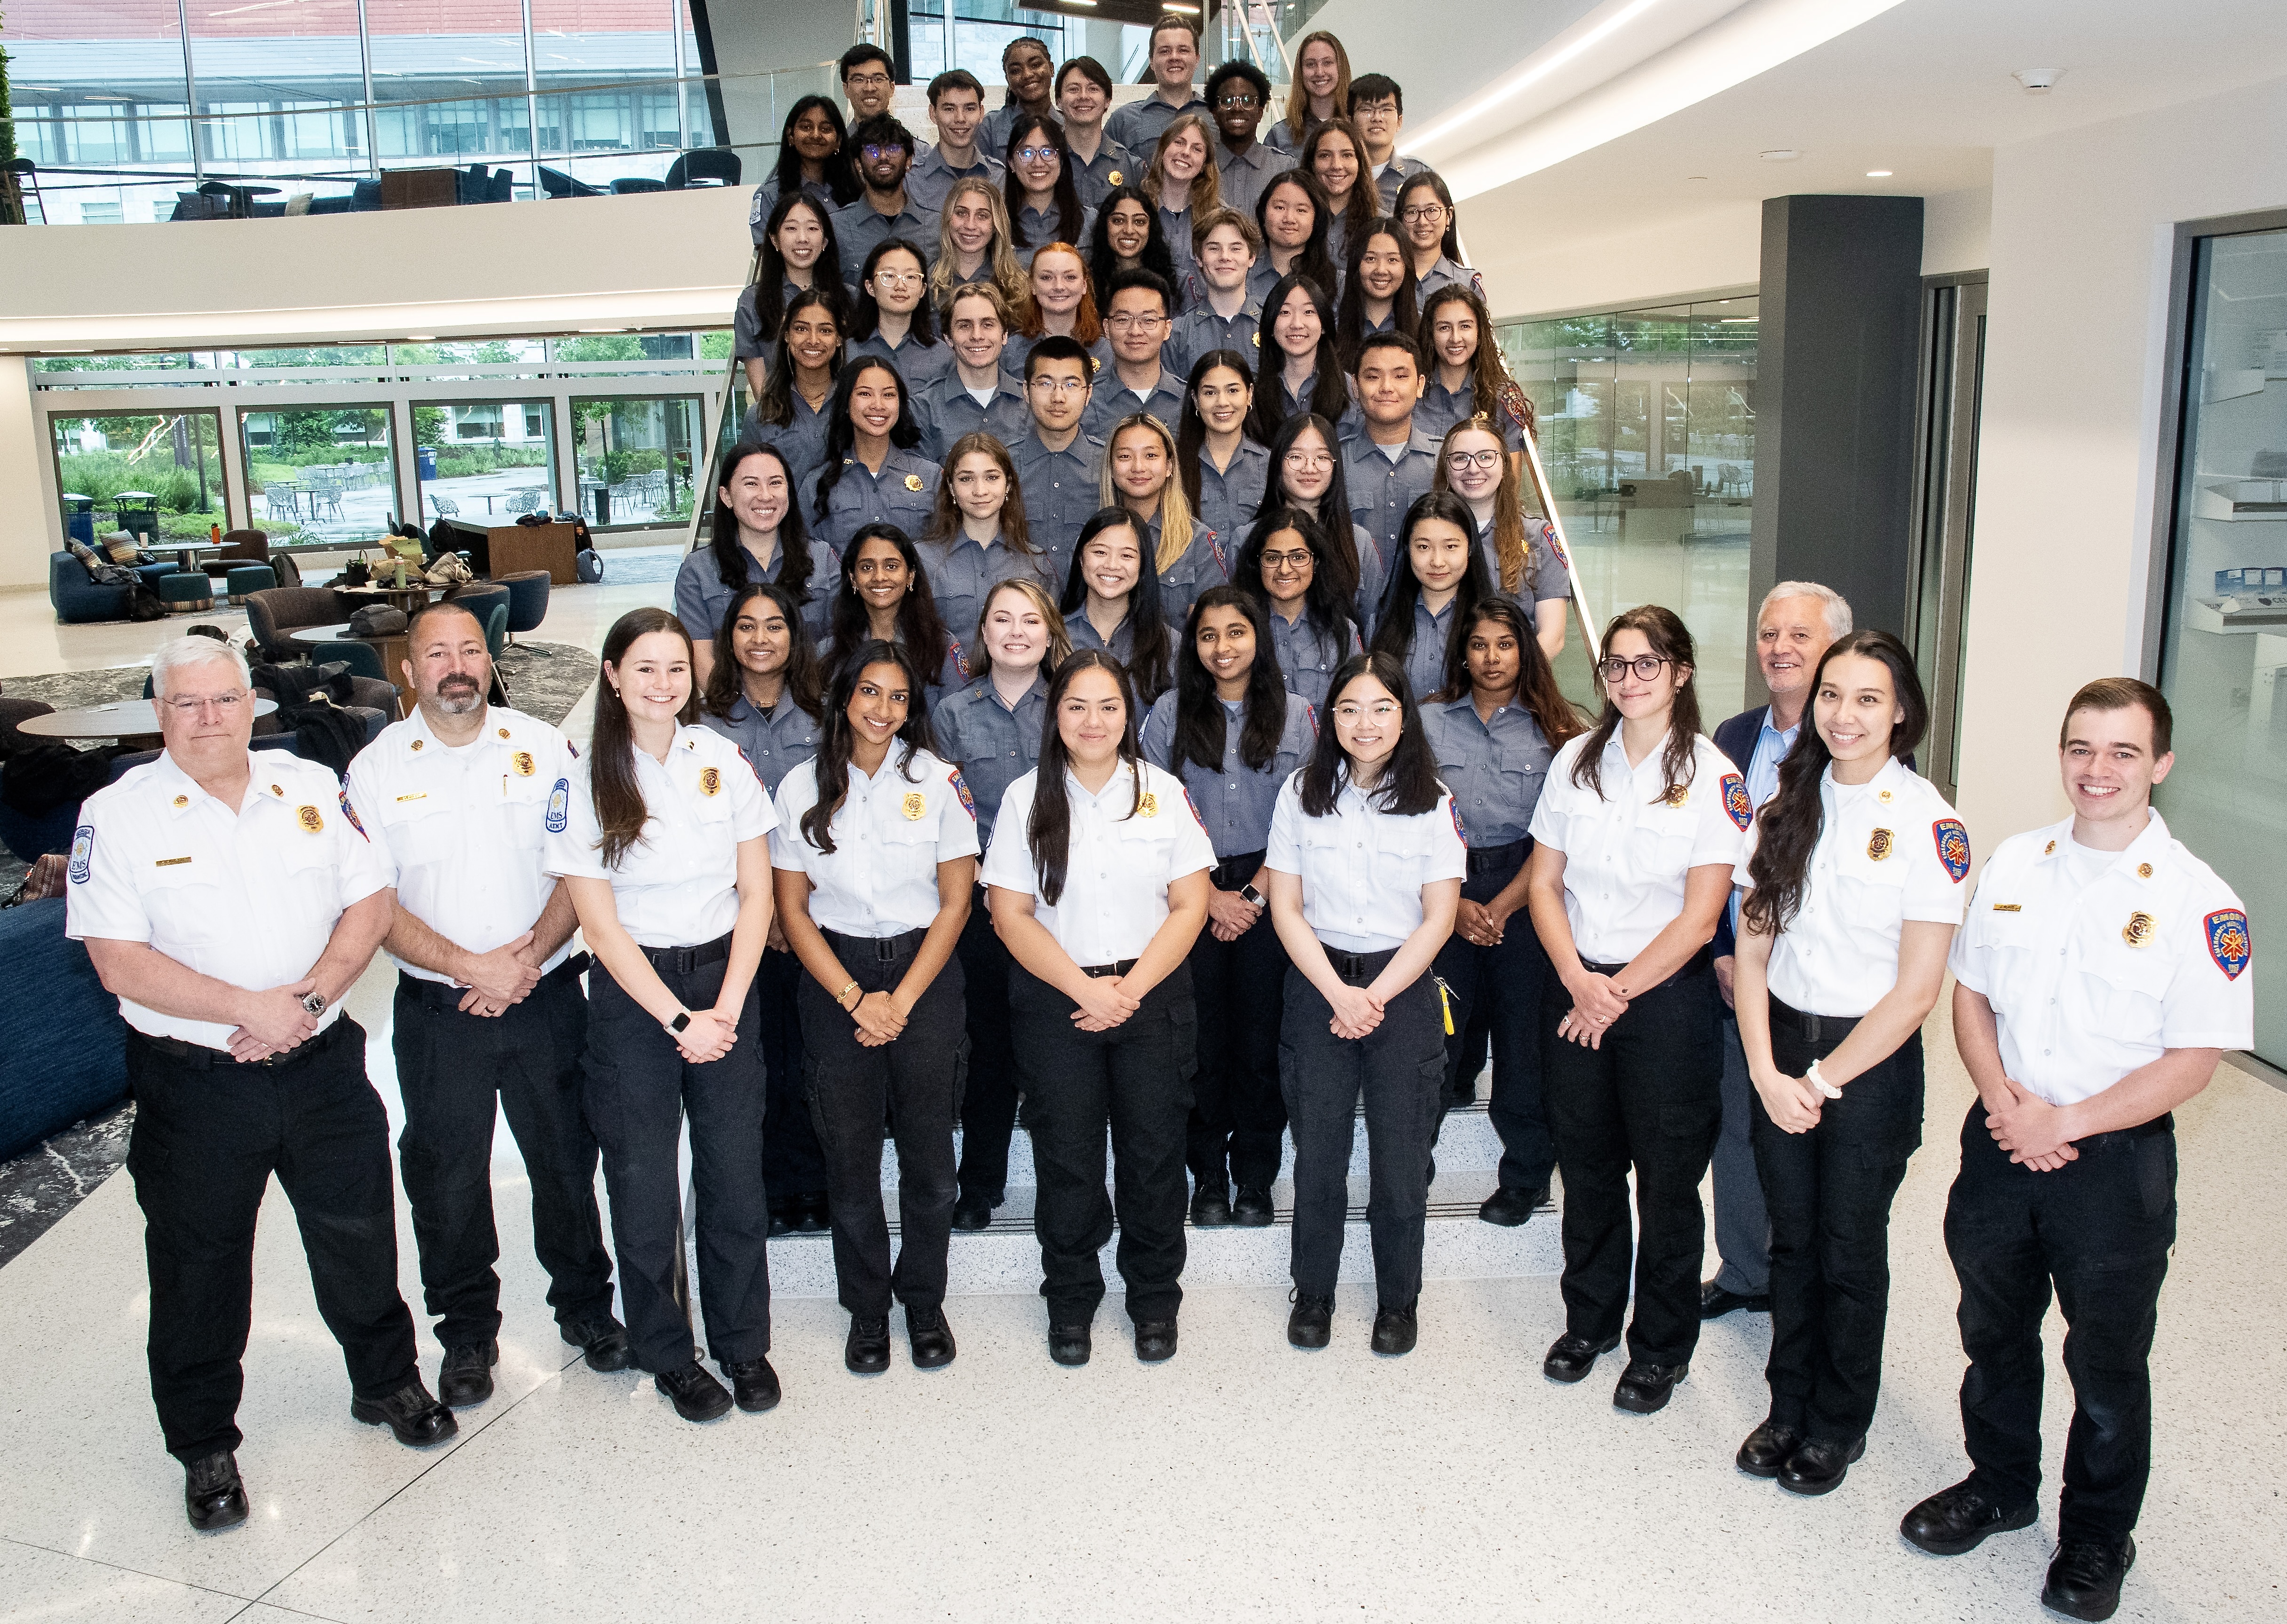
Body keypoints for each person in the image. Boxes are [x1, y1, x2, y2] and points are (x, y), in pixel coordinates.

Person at [68, 636, 449, 1530]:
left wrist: (307, 1000)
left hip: (321, 1063)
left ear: (254, 703)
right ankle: (204, 1444)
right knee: (199, 1268)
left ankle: (387, 1380)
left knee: (358, 1233)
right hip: (194, 1086)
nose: (210, 719)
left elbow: (370, 901)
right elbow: (117, 960)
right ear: (159, 712)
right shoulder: (116, 815)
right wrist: (251, 1005)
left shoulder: (310, 788)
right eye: (188, 704)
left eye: (225, 700)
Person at [1901, 679, 2250, 1624]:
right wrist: (2004, 1098)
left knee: (2105, 1362)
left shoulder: (2196, 901)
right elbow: (1969, 993)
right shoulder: (2016, 860)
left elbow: (2194, 1059)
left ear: (2160, 765)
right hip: (2001, 1139)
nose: (2097, 770)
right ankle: (2001, 1482)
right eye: (2080, 748)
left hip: (2111, 1163)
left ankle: (2097, 1531)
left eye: (2122, 752)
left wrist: (2069, 1119)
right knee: (1991, 1327)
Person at [344, 602, 628, 1410]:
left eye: (470, 648)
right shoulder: (376, 770)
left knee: (568, 1163)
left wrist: (526, 958)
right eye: (437, 653)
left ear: (490, 657)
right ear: (408, 669)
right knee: (447, 1177)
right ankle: (467, 1331)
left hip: (543, 996)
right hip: (440, 1011)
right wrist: (471, 965)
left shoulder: (544, 749)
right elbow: (373, 900)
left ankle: (585, 1308)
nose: (457, 664)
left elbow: (582, 871)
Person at [1727, 630, 1963, 1495]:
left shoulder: (1929, 821)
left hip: (1868, 1060)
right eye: (1831, 694)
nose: (1843, 713)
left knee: (1847, 1245)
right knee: (1790, 1241)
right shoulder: (1785, 804)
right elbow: (1751, 951)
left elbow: (1914, 991)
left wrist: (1819, 1084)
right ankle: (1786, 1403)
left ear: (1900, 710)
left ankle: (1835, 1421)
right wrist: (1762, 1066)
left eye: (1867, 697)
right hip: (1781, 1040)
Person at [546, 608, 779, 1425]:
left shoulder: (720, 759)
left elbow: (757, 894)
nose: (662, 683)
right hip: (634, 997)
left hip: (726, 982)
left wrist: (727, 1004)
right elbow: (599, 927)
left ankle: (744, 1340)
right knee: (643, 1188)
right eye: (644, 668)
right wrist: (681, 1021)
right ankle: (669, 1353)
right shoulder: (582, 780)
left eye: (675, 668)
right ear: (612, 675)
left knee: (732, 1177)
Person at [1526, 606, 1746, 1414]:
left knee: (1666, 1181)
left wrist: (1612, 991)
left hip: (1663, 1000)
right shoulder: (1575, 761)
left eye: (1645, 663)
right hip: (1574, 983)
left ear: (1680, 672)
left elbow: (1699, 916)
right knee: (1584, 1169)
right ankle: (1588, 1321)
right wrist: (1578, 978)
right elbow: (1544, 883)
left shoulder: (1714, 775)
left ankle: (1659, 1345)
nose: (1627, 679)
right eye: (1615, 665)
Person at [981, 648, 1214, 1365]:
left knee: (1151, 1159)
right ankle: (1071, 1300)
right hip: (1060, 1002)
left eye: (1107, 706)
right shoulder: (1027, 797)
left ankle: (1151, 1300)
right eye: (1076, 705)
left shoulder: (1163, 792)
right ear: (1056, 715)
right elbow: (1008, 913)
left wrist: (1130, 991)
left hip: (1150, 997)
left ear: (1128, 714)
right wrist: (1087, 992)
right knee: (1069, 1161)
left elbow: (1190, 902)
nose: (1092, 720)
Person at [772, 639, 978, 1374]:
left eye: (897, 697)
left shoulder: (940, 781)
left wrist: (901, 999)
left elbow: (956, 903)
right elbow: (791, 910)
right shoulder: (799, 786)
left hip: (923, 974)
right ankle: (866, 1309)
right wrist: (857, 997)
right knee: (850, 1160)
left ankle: (923, 1297)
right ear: (842, 698)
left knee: (930, 1162)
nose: (882, 710)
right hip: (836, 978)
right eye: (868, 692)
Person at [1263, 650, 1465, 1355]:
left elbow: (1439, 917)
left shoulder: (1433, 801)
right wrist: (1336, 993)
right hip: (1317, 981)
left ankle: (1396, 1300)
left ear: (1403, 716)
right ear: (1329, 719)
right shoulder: (1299, 791)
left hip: (1400, 989)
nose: (1365, 722)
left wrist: (1371, 996)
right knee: (1318, 1151)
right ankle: (1312, 1292)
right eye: (1349, 708)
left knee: (1400, 1156)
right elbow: (1284, 907)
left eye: (1381, 707)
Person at [1142, 587, 1315, 1227]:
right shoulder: (1167, 712)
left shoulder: (1297, 715)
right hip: (1189, 889)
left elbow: (1306, 815)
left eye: (1236, 632)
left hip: (1273, 890)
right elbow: (1148, 813)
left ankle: (1255, 1179)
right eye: (1209, 635)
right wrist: (1207, 895)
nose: (1222, 647)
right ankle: (1207, 1176)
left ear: (1257, 638)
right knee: (1200, 1042)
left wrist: (1250, 895)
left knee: (1260, 1042)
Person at [1703, 582, 1852, 1321]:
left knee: (1818, 1143)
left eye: (1799, 635)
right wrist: (1723, 953)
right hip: (1735, 975)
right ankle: (1743, 1270)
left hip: (1821, 993)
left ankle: (1809, 1285)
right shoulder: (1729, 737)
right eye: (1768, 634)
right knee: (1736, 1128)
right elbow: (1701, 856)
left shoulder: (1861, 752)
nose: (1780, 649)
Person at [1424, 597, 1586, 1225]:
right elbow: (1411, 823)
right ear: (1461, 653)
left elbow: (1560, 840)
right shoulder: (1429, 722)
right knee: (1437, 1038)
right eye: (1478, 644)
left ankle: (1523, 1177)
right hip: (1447, 892)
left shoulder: (1558, 730)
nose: (1491, 658)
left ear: (1524, 650)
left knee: (1523, 1045)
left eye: (1504, 644)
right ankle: (1415, 1159)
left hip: (1529, 894)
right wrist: (1458, 904)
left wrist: (1502, 902)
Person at [934, 578, 1073, 1229]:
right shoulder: (951, 715)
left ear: (1050, 635)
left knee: (1050, 1050)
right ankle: (980, 1182)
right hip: (983, 909)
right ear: (982, 636)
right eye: (1001, 619)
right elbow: (943, 821)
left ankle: (1061, 1184)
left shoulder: (1072, 708)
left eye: (1030, 620)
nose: (1016, 631)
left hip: (1057, 905)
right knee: (986, 1049)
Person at [698, 583, 833, 1238]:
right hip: (739, 917)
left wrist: (792, 909)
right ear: (729, 639)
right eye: (746, 626)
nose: (760, 638)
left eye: (774, 625)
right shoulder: (704, 724)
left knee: (811, 1052)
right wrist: (768, 911)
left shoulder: (825, 711)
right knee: (756, 1058)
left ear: (793, 635)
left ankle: (812, 1180)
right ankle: (768, 1184)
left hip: (815, 913)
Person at [675, 441, 840, 680]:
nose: (766, 496)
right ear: (727, 496)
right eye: (751, 484)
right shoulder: (697, 571)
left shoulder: (823, 559)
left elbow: (839, 642)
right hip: (732, 711)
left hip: (811, 705)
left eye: (775, 483)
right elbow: (702, 660)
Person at [1432, 417, 1570, 659]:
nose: (1473, 468)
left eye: (1486, 457)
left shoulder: (1539, 536)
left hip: (1514, 685)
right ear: (1446, 468)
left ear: (1505, 465)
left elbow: (1553, 637)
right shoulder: (1427, 535)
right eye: (1460, 458)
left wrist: (1508, 681)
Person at [920, 429, 1057, 643]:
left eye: (992, 477)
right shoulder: (922, 560)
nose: (980, 490)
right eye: (966, 479)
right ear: (951, 487)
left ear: (1008, 484)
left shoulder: (1035, 563)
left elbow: (1049, 643)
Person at [1370, 490, 1494, 724]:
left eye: (1451, 547)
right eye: (1424, 547)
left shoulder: (1494, 624)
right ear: (1408, 550)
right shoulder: (1382, 620)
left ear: (1470, 549)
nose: (1437, 562)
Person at [1262, 408, 1383, 628]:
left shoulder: (1360, 542)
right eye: (1296, 457)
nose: (1310, 468)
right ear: (1278, 464)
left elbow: (1371, 625)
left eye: (1322, 458)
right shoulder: (1247, 538)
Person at [1236, 505, 1363, 711]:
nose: (1284, 569)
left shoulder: (1343, 632)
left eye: (1298, 557)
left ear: (1316, 562)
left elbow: (1355, 706)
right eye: (1272, 558)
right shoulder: (1237, 630)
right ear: (1257, 563)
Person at [1102, 411, 1220, 630]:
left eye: (1150, 456)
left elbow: (1207, 632)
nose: (1138, 467)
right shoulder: (1093, 538)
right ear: (1111, 467)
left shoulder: (1198, 542)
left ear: (1169, 466)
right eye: (1125, 457)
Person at [812, 356, 940, 554]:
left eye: (888, 395)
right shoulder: (818, 482)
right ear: (846, 403)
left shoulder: (932, 477)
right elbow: (810, 560)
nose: (878, 405)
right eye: (865, 394)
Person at [823, 522, 964, 697]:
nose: (880, 577)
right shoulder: (828, 652)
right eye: (867, 567)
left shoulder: (941, 646)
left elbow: (957, 717)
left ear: (910, 576)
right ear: (853, 578)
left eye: (891, 566)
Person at [737, 287, 845, 500]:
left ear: (839, 339)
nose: (813, 340)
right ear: (787, 335)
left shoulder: (858, 406)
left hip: (848, 529)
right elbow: (746, 489)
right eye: (801, 329)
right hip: (785, 530)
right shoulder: (760, 416)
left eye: (825, 330)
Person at [1060, 505, 1176, 704]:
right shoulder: (1053, 635)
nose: (1112, 565)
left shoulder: (1170, 644)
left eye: (1127, 555)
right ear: (1081, 558)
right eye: (1100, 552)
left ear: (1143, 565)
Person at [735, 193, 846, 399]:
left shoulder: (851, 299)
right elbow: (762, 393)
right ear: (774, 239)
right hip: (784, 421)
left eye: (812, 228)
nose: (802, 238)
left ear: (825, 242)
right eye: (791, 228)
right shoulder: (752, 303)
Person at [1014, 335, 1105, 586]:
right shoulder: (1002, 467)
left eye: (1071, 385)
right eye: (1045, 384)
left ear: (1088, 394)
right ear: (1026, 391)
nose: (1058, 398)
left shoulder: (1110, 466)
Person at [1345, 333, 1440, 566]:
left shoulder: (1446, 460)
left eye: (1400, 376)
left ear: (1420, 385)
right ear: (1356, 387)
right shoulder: (1333, 461)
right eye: (1373, 377)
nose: (1386, 388)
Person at [915, 283, 1029, 461]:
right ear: (948, 338)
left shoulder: (1032, 402)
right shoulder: (923, 409)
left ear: (1005, 334)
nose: (977, 336)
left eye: (988, 324)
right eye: (965, 326)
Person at [1177, 348, 1269, 566]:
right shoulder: (1173, 465)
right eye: (1210, 393)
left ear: (1250, 394)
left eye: (1233, 391)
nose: (1222, 402)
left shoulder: (1271, 465)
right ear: (1195, 400)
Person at [1417, 285, 1528, 450]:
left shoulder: (1502, 398)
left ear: (1479, 333)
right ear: (1431, 335)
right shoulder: (1411, 391)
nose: (1455, 338)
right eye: (1444, 328)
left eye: (1465, 326)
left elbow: (1510, 475)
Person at [1082, 270, 1187, 441]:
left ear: (1167, 329)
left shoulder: (1190, 401)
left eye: (1148, 320)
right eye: (1123, 320)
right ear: (1107, 328)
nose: (1136, 331)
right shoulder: (1085, 401)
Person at [1249, 272, 1353, 441]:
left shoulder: (1351, 390)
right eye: (1285, 312)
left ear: (1324, 325)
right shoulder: (1252, 393)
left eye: (1309, 311)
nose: (1297, 324)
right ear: (1270, 326)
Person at [835, 115, 937, 284]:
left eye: (893, 148)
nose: (883, 157)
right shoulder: (837, 227)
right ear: (858, 164)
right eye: (872, 150)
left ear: (909, 161)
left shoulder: (935, 226)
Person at [749, 94, 859, 242]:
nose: (815, 135)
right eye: (806, 127)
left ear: (838, 141)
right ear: (791, 136)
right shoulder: (771, 195)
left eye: (826, 129)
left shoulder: (856, 190)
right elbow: (766, 255)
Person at [1169, 209, 1264, 376]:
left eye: (1235, 248)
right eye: (1214, 249)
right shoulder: (1177, 335)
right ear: (1199, 258)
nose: (1225, 257)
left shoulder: (1273, 326)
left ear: (1252, 258)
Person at [848, 238, 951, 389]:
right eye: (889, 276)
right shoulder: (846, 353)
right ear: (870, 287)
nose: (900, 286)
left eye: (910, 277)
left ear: (923, 290)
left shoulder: (943, 357)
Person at [1104, 13, 1208, 162]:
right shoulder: (1123, 121)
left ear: (1197, 59)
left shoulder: (1217, 117)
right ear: (1152, 61)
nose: (1174, 57)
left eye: (1183, 50)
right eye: (1165, 51)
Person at [1142, 111, 1221, 305]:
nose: (1186, 152)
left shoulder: (1220, 219)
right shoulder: (1137, 210)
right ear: (1163, 150)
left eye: (1197, 149)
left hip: (1202, 325)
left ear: (1205, 164)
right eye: (1179, 142)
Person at [909, 70, 1007, 220]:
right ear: (933, 113)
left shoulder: (999, 178)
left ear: (981, 113)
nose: (960, 118)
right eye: (949, 109)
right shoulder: (911, 180)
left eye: (970, 109)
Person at [1002, 111, 1093, 272]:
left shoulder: (1090, 221)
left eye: (1048, 152)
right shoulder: (997, 224)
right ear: (1012, 163)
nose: (1038, 163)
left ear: (1062, 160)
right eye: (1027, 153)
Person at [927, 176, 1030, 315]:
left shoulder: (1017, 287)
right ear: (948, 219)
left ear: (995, 225)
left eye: (982, 216)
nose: (970, 225)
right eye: (961, 213)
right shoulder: (927, 281)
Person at [1007, 241, 1108, 380]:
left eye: (1070, 277)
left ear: (1084, 285)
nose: (1059, 286)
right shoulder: (1010, 352)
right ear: (1032, 286)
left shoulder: (1107, 351)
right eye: (1047, 278)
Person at [1088, 185, 1187, 320]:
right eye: (1118, 220)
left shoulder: (1178, 283)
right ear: (1105, 226)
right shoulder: (1087, 284)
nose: (1129, 230)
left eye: (1139, 222)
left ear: (1151, 229)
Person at [1205, 59, 1287, 222]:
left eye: (1248, 100)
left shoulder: (1285, 168)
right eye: (1227, 100)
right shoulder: (1200, 167)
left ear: (1260, 113)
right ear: (1215, 113)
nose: (1237, 108)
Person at [1336, 218, 1420, 372]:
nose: (1381, 270)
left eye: (1392, 260)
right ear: (1356, 264)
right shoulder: (1333, 330)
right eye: (1371, 258)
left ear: (1406, 266)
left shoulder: (1425, 329)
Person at [1251, 169, 1341, 310]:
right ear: (1264, 213)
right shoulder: (1243, 274)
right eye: (1280, 207)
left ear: (1316, 219)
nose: (1289, 219)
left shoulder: (1339, 283)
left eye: (1301, 210)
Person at [1054, 55, 1134, 209]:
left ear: (1107, 100)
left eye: (1093, 89)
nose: (1084, 96)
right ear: (1059, 100)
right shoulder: (1045, 162)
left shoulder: (1131, 167)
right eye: (1074, 89)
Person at [1395, 172, 1486, 304]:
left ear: (1449, 216)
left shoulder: (1467, 282)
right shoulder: (1387, 277)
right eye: (1412, 212)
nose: (1422, 222)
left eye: (1432, 210)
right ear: (1400, 219)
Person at [1349, 74, 1430, 212]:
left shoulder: (1419, 174)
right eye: (1367, 110)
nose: (1377, 118)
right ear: (1350, 121)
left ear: (1399, 122)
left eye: (1386, 109)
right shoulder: (1338, 174)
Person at [1302, 118, 1373, 269]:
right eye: (1325, 156)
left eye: (1347, 155)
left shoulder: (1380, 223)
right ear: (1312, 164)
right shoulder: (1294, 222)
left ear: (1360, 163)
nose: (1336, 165)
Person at [1268, 30, 1350, 157]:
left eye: (1327, 63)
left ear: (1341, 67)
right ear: (1301, 72)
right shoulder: (1279, 136)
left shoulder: (1358, 130)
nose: (1320, 72)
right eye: (1311, 64)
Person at [981, 34, 1055, 160]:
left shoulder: (1068, 124)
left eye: (1036, 65)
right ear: (1008, 80)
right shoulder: (991, 126)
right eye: (1016, 71)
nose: (1027, 75)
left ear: (1052, 69)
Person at [839, 43, 898, 126]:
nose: (869, 88)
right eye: (859, 80)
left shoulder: (907, 139)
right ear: (846, 89)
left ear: (892, 87)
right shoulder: (840, 139)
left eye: (878, 79)